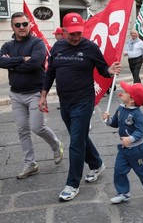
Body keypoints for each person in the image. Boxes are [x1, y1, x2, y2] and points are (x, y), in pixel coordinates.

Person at [38, 12, 121, 201]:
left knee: (75, 142)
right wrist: (43, 95)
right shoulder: (58, 46)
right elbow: (50, 72)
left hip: (83, 101)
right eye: (72, 33)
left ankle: (72, 184)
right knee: (81, 137)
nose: (76, 37)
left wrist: (110, 70)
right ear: (64, 30)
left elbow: (103, 70)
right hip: (64, 102)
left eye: (79, 33)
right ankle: (97, 164)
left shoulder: (90, 47)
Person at [0, 12, 63, 179]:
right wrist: (22, 59)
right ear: (12, 27)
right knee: (22, 130)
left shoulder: (37, 43)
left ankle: (56, 145)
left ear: (30, 25)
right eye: (18, 25)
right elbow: (1, 61)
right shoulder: (7, 45)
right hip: (16, 94)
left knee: (37, 127)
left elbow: (35, 63)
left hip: (35, 93)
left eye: (25, 24)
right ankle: (30, 164)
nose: (22, 27)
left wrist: (12, 63)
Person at [103, 81, 143, 205]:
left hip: (137, 149)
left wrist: (130, 139)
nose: (122, 93)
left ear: (132, 99)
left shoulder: (138, 115)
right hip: (124, 149)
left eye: (125, 92)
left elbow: (141, 132)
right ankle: (123, 193)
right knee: (119, 170)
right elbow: (115, 123)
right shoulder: (120, 109)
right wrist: (108, 120)